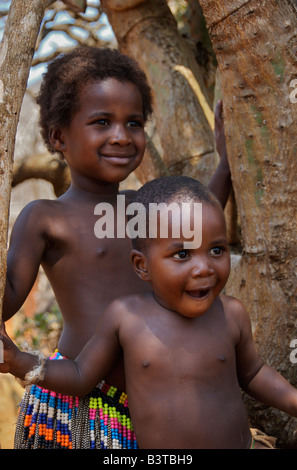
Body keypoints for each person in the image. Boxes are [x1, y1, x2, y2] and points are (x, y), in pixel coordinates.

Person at [2, 46, 231, 449]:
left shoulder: (142, 208)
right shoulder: (45, 216)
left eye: (135, 123)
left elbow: (199, 227)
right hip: (78, 401)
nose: (121, 136)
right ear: (59, 136)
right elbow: (8, 297)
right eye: (102, 122)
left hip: (155, 401)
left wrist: (227, 165)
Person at [3, 175, 296, 449]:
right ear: (142, 266)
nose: (204, 267)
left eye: (217, 250)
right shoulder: (126, 318)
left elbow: (254, 373)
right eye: (182, 254)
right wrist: (18, 360)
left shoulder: (231, 314)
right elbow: (80, 375)